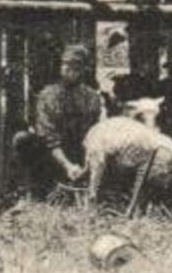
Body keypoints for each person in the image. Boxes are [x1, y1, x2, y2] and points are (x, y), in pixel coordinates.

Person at [12, 45, 104, 197]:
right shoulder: (47, 96)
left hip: (82, 154)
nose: (68, 69)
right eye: (65, 64)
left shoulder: (92, 98)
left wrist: (86, 165)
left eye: (75, 65)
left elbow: (95, 135)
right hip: (53, 156)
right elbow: (48, 137)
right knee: (22, 139)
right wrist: (67, 165)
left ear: (83, 69)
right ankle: (33, 192)